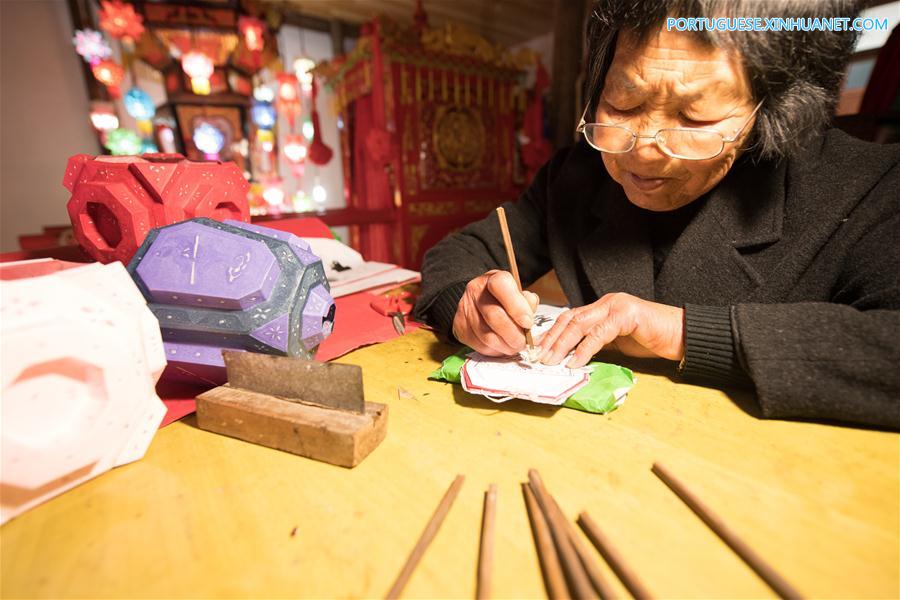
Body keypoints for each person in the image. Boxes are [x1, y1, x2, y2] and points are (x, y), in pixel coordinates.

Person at [413, 0, 900, 429]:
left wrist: (683, 332)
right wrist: (466, 304)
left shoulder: (869, 187)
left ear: (773, 107)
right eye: (622, 104)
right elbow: (461, 252)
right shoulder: (577, 177)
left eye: (695, 118)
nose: (643, 151)